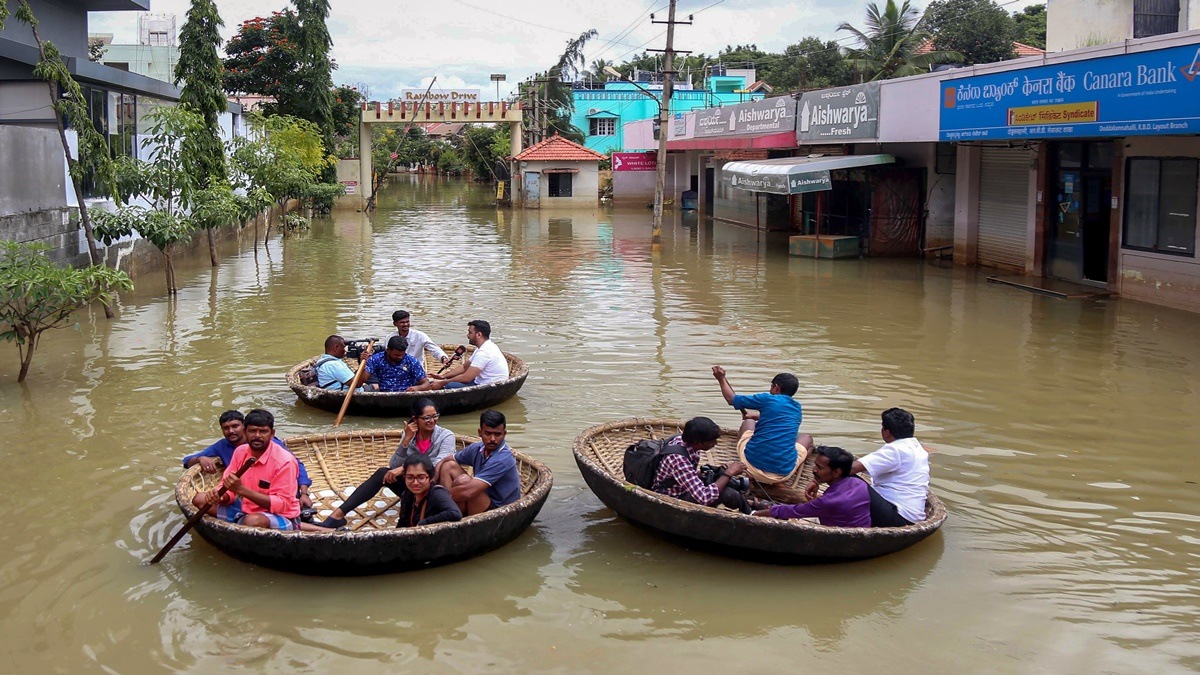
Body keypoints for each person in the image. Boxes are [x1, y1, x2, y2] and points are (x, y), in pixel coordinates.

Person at [315, 398, 457, 529]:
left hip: (432, 486)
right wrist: (406, 441)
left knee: (408, 474)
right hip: (413, 485)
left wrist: (403, 470)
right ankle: (338, 514)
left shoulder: (446, 436)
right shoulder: (409, 434)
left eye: (435, 416)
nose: (432, 421)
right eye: (427, 418)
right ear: (415, 419)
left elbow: (437, 465)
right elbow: (393, 464)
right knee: (383, 473)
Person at [806, 407, 929, 527]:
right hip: (911, 515)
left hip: (897, 516)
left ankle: (823, 509)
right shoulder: (917, 448)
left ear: (886, 431)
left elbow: (850, 469)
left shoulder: (895, 450)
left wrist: (816, 480)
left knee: (841, 473)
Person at [192, 409, 301, 530]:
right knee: (200, 499)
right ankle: (240, 522)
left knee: (252, 521)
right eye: (252, 431)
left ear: (272, 434)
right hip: (246, 508)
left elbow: (282, 505)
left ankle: (242, 524)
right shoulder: (240, 452)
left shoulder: (285, 461)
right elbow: (227, 486)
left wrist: (242, 490)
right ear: (245, 432)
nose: (257, 436)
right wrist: (220, 496)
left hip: (281, 515)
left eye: (263, 431)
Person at [712, 366, 810, 482]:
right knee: (807, 438)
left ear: (776, 387)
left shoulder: (768, 399)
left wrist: (721, 379)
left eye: (771, 387)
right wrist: (756, 415)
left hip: (752, 466)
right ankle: (791, 468)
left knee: (748, 423)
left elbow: (731, 399)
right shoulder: (797, 407)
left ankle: (747, 467)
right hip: (783, 474)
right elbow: (778, 417)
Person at [651, 416, 760, 514]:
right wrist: (729, 473)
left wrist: (722, 472)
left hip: (682, 485)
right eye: (712, 441)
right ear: (698, 442)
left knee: (719, 475)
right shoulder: (678, 459)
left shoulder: (688, 443)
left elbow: (692, 473)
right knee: (727, 493)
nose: (715, 443)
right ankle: (751, 512)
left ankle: (748, 503)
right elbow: (704, 497)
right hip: (672, 494)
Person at [753, 446, 870, 527]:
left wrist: (755, 515)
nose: (814, 470)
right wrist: (816, 481)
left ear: (836, 472)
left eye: (819, 468)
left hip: (839, 540)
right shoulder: (860, 484)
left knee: (780, 515)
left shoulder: (828, 502)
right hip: (860, 527)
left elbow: (793, 511)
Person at [436, 409, 520, 516]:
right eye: (488, 433)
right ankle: (450, 510)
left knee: (464, 481)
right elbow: (447, 460)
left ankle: (447, 509)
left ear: (504, 434)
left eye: (497, 434)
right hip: (482, 496)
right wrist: (434, 477)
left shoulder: (502, 459)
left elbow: (468, 492)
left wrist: (435, 498)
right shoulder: (477, 448)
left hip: (500, 508)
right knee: (449, 466)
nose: (492, 439)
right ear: (480, 433)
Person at [423, 320, 508, 390]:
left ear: (479, 335)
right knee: (451, 380)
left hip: (489, 387)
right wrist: (443, 377)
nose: (467, 335)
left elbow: (466, 378)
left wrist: (442, 383)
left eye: (470, 332)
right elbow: (464, 367)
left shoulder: (484, 353)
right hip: (480, 381)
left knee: (450, 386)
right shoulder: (482, 347)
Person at [394, 453, 462, 527]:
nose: (415, 483)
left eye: (421, 477)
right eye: (410, 478)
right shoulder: (407, 494)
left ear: (431, 477)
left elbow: (455, 513)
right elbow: (402, 522)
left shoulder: (437, 493)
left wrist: (424, 523)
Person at [363, 335, 430, 392]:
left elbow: (426, 384)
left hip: (407, 396)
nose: (400, 357)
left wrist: (417, 388)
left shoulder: (411, 361)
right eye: (396, 355)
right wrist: (363, 364)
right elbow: (362, 380)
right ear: (388, 350)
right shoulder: (376, 359)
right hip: (384, 396)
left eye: (402, 354)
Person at [314, 335, 378, 392]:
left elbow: (354, 377)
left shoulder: (322, 360)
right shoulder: (334, 365)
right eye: (343, 347)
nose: (345, 351)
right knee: (379, 386)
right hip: (350, 393)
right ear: (336, 347)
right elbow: (357, 384)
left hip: (346, 388)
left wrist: (362, 363)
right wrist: (363, 364)